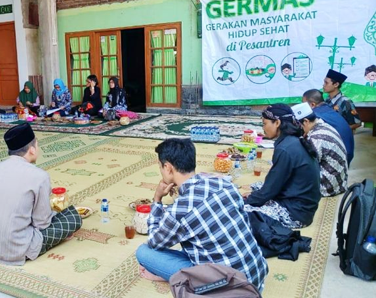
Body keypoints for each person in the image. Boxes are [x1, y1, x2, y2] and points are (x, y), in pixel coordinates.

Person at [136, 138, 268, 290]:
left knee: (143, 252)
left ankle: (174, 278)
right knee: (188, 241)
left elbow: (155, 242)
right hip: (255, 277)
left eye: (161, 167)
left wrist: (157, 199)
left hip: (227, 288)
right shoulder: (224, 183)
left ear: (168, 168)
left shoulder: (180, 211)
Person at [0, 123, 82, 265]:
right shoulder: (39, 176)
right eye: (37, 145)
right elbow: (42, 223)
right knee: (73, 217)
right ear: (32, 150)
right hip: (18, 248)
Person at [244, 104, 321, 229]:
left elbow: (269, 190)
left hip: (294, 213)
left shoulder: (285, 148)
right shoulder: (293, 140)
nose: (263, 128)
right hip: (302, 207)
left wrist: (247, 200)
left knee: (237, 211)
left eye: (264, 124)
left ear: (277, 123)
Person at [292, 102, 348, 197]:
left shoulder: (316, 138)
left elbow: (305, 167)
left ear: (305, 121)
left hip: (328, 186)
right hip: (339, 181)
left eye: (296, 125)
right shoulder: (322, 125)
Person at [303, 89, 354, 166]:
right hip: (348, 153)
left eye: (304, 104)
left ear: (312, 105)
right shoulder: (329, 109)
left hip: (337, 160)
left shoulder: (315, 117)